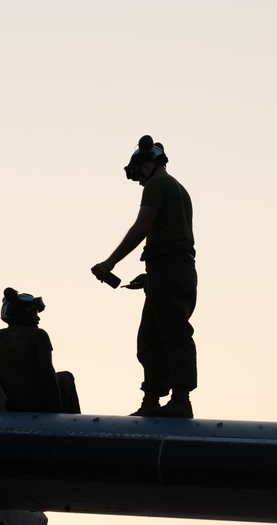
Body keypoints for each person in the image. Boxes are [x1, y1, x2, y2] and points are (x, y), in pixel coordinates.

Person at [91, 135, 197, 418]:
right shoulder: (177, 189)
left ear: (150, 163)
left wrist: (110, 263)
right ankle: (151, 400)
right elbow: (171, 238)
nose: (139, 181)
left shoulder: (159, 184)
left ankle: (181, 400)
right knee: (149, 338)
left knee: (174, 333)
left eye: (138, 173)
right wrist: (152, 276)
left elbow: (142, 227)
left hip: (170, 270)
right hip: (166, 270)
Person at [0, 288, 80, 414]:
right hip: (43, 405)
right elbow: (47, 371)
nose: (38, 318)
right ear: (21, 313)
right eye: (34, 313)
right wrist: (58, 411)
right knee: (67, 377)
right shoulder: (38, 335)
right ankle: (78, 427)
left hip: (16, 407)